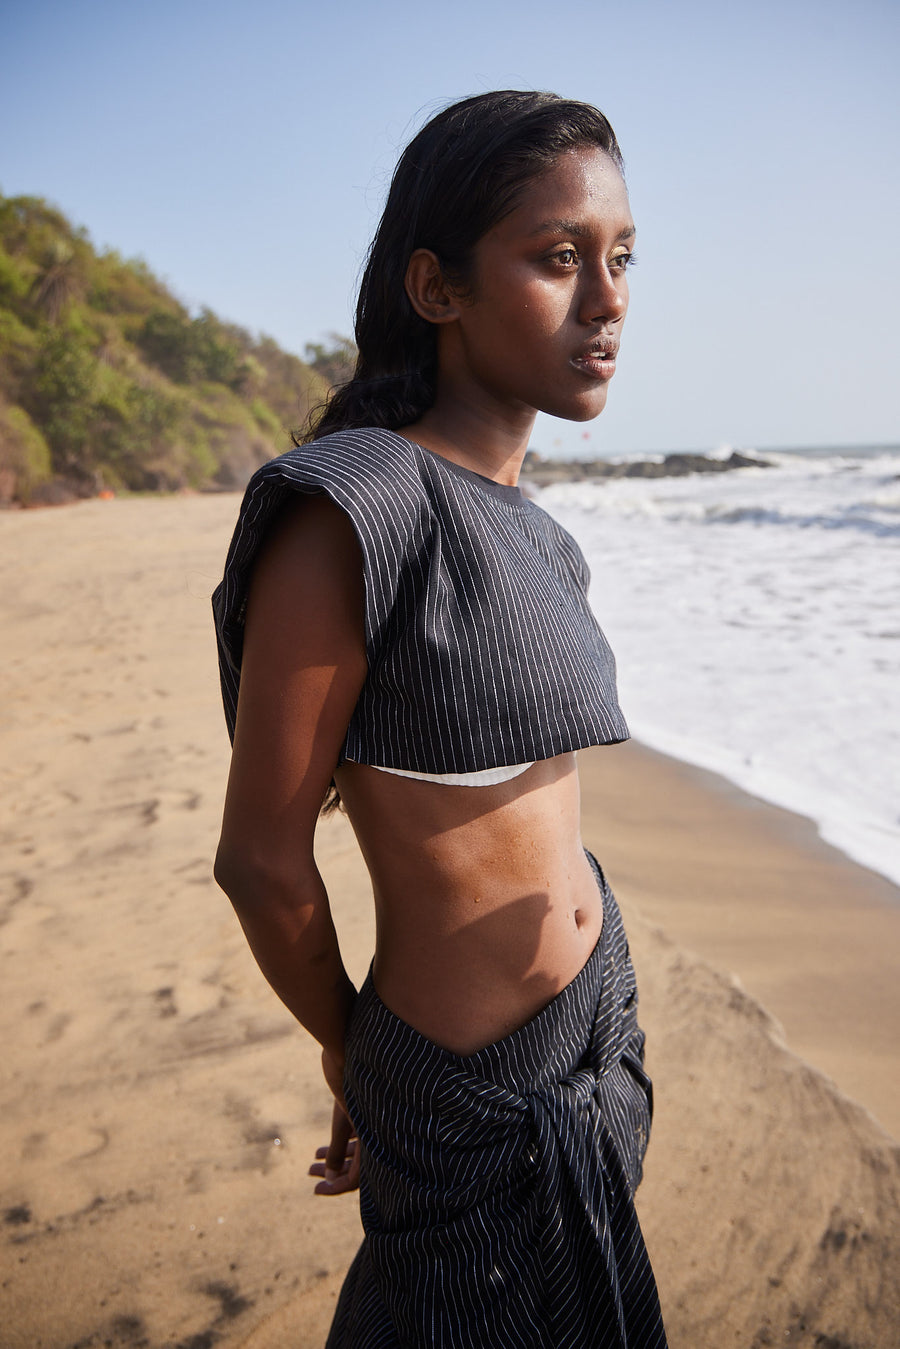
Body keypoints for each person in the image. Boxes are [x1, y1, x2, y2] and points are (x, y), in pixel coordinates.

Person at [213, 90, 667, 1348]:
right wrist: (354, 1049)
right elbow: (259, 856)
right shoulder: (354, 506)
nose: (610, 297)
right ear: (438, 285)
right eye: (558, 256)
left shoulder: (540, 531)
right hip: (468, 1095)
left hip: (595, 1043)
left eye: (622, 258)